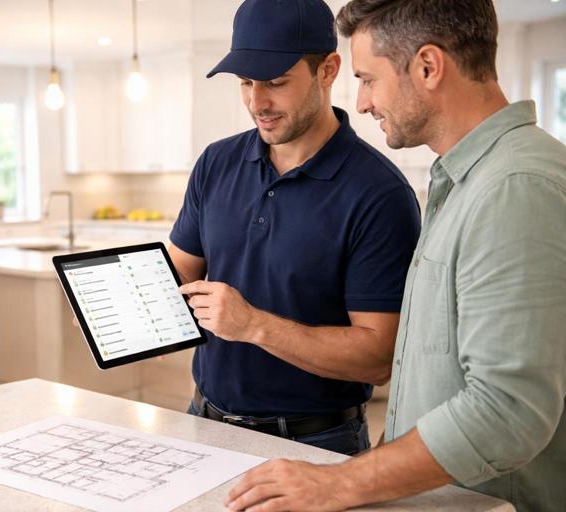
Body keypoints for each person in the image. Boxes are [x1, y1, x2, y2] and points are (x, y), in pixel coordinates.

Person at [225, 0, 566, 510]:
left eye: (368, 79)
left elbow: (506, 412)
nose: (361, 103)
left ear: (428, 67)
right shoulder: (465, 180)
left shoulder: (514, 187)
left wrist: (337, 482)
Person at [168, 0, 421, 456]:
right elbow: (181, 271)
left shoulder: (379, 194)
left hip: (315, 442)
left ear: (328, 71)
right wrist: (120, 300)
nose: (256, 102)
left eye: (276, 82)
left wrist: (253, 325)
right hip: (204, 422)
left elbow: (379, 357)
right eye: (245, 83)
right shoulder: (216, 163)